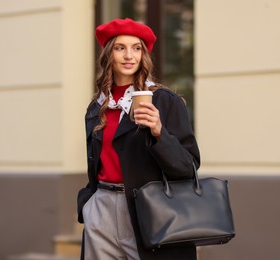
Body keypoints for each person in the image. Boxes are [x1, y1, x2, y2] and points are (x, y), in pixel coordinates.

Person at [77, 18, 200, 260]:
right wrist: (88, 205)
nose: (128, 55)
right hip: (102, 210)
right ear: (108, 54)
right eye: (119, 47)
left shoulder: (164, 101)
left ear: (143, 55)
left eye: (136, 48)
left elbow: (188, 167)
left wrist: (158, 132)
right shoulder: (97, 107)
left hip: (149, 212)